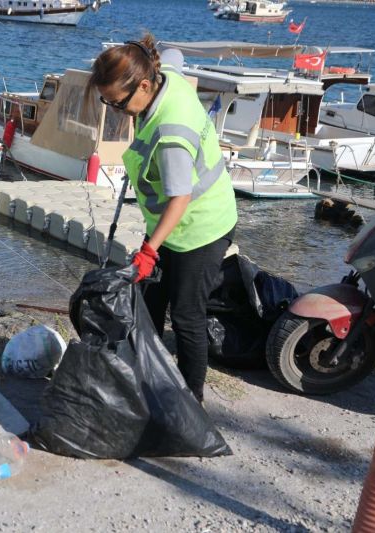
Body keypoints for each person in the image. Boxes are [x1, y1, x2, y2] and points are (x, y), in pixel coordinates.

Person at [87, 35, 238, 403]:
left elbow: (180, 199)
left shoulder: (172, 133)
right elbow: (175, 54)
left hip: (200, 227)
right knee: (148, 302)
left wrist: (149, 250)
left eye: (118, 103)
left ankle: (191, 403)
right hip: (171, 225)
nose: (116, 109)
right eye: (107, 101)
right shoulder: (163, 73)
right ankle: (146, 378)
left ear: (143, 85)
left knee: (187, 314)